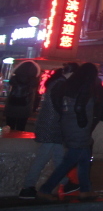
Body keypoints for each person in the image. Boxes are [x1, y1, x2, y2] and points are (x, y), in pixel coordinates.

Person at [38, 62, 103, 201]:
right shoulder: (86, 86)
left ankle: (85, 189)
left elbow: (59, 103)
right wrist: (83, 122)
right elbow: (80, 106)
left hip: (69, 124)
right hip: (79, 127)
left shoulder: (69, 85)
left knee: (84, 159)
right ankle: (46, 189)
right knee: (70, 160)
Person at [19, 65, 77, 199]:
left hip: (50, 125)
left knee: (58, 157)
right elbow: (62, 106)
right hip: (53, 126)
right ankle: (27, 187)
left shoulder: (55, 83)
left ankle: (65, 182)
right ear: (72, 73)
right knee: (43, 158)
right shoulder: (61, 84)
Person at [4, 61, 39, 131]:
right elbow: (36, 94)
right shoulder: (34, 80)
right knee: (21, 126)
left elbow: (10, 84)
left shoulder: (14, 78)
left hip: (12, 105)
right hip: (25, 106)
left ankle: (8, 139)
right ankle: (18, 140)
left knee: (10, 126)